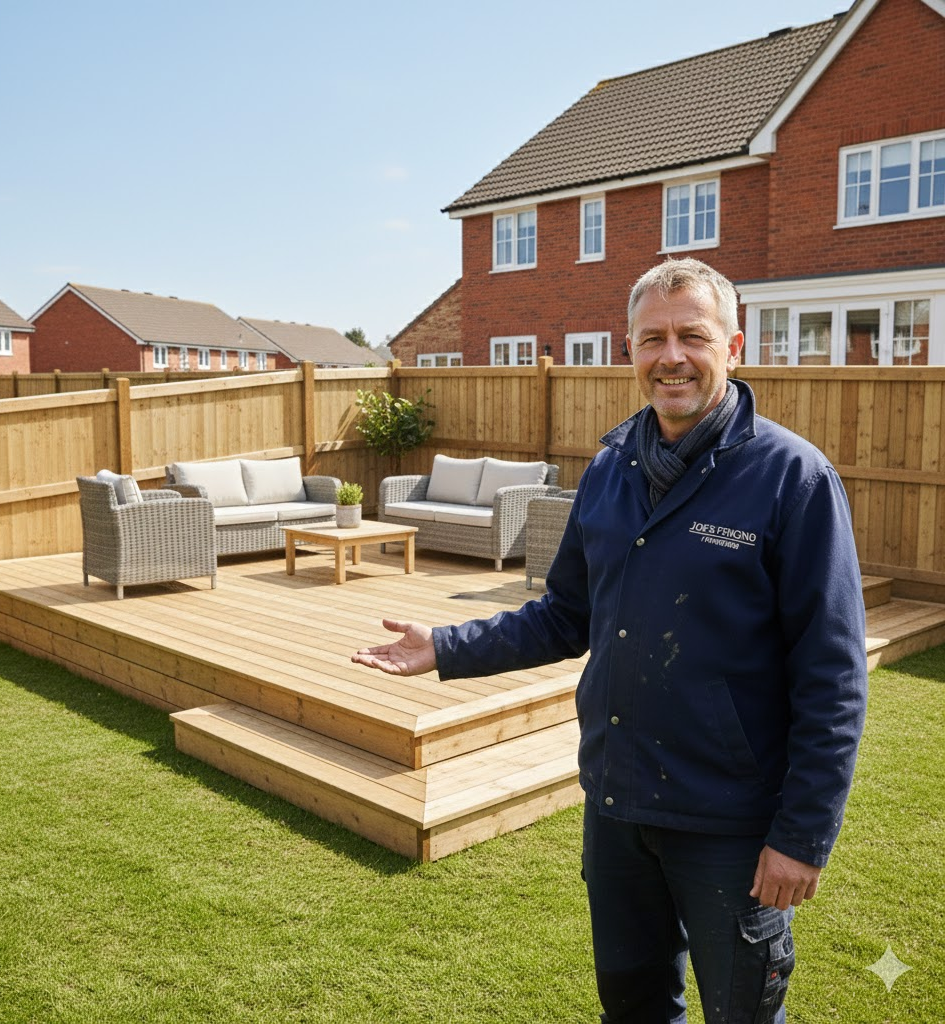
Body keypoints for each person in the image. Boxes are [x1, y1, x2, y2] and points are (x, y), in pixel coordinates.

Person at [352, 258, 868, 1024]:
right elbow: (566, 614)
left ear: (733, 346)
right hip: (618, 807)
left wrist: (803, 836)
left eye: (692, 336)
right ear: (629, 349)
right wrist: (449, 646)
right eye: (652, 338)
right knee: (632, 1009)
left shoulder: (792, 478)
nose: (671, 357)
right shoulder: (609, 469)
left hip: (728, 824)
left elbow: (833, 676)